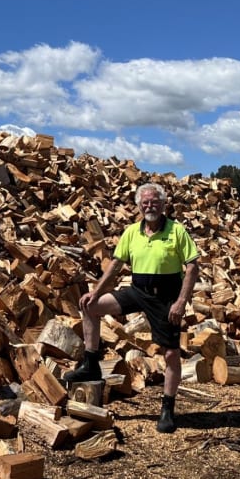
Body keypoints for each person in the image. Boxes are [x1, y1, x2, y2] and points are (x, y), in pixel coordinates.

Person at [64, 182, 200, 433]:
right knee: (91, 306)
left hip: (165, 297)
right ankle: (90, 363)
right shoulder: (131, 232)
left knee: (171, 355)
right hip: (137, 291)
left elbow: (192, 267)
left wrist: (181, 301)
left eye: (155, 202)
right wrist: (96, 291)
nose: (150, 206)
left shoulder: (177, 231)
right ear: (139, 206)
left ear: (163, 205)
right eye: (145, 202)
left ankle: (168, 408)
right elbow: (115, 265)